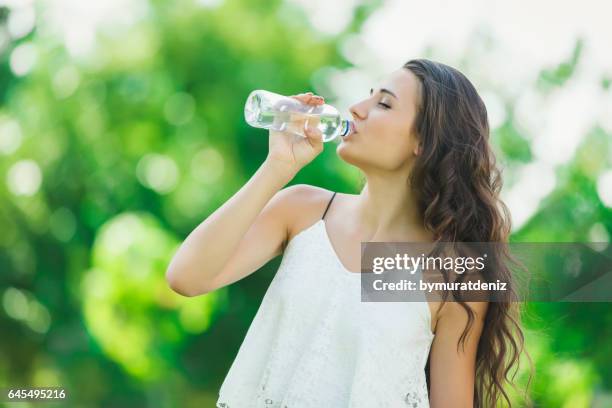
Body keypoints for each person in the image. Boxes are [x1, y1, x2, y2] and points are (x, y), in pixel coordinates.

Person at [166, 59, 530, 407]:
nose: (355, 108)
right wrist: (277, 166)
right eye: (368, 95)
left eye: (383, 104)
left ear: (424, 141)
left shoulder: (454, 277)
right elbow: (187, 277)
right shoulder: (303, 210)